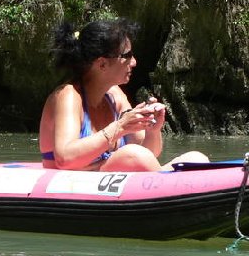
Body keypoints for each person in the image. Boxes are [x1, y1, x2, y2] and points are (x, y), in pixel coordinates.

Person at [39, 19, 209, 171]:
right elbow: (65, 159)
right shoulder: (68, 96)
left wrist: (152, 130)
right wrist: (120, 127)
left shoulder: (115, 96)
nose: (134, 62)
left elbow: (149, 153)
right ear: (102, 64)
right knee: (131, 155)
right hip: (69, 188)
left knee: (197, 158)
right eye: (127, 56)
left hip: (109, 178)